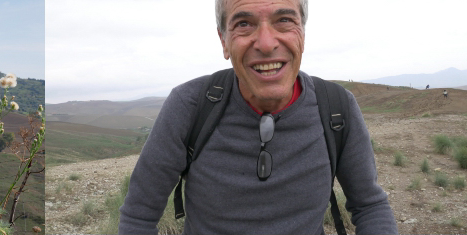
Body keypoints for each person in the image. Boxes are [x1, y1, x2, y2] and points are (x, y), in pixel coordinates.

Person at [117, 1, 396, 234]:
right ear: (223, 41)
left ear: (302, 34)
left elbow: (370, 207)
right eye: (243, 24)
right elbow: (138, 217)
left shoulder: (337, 107)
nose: (265, 43)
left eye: (284, 20)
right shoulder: (189, 106)